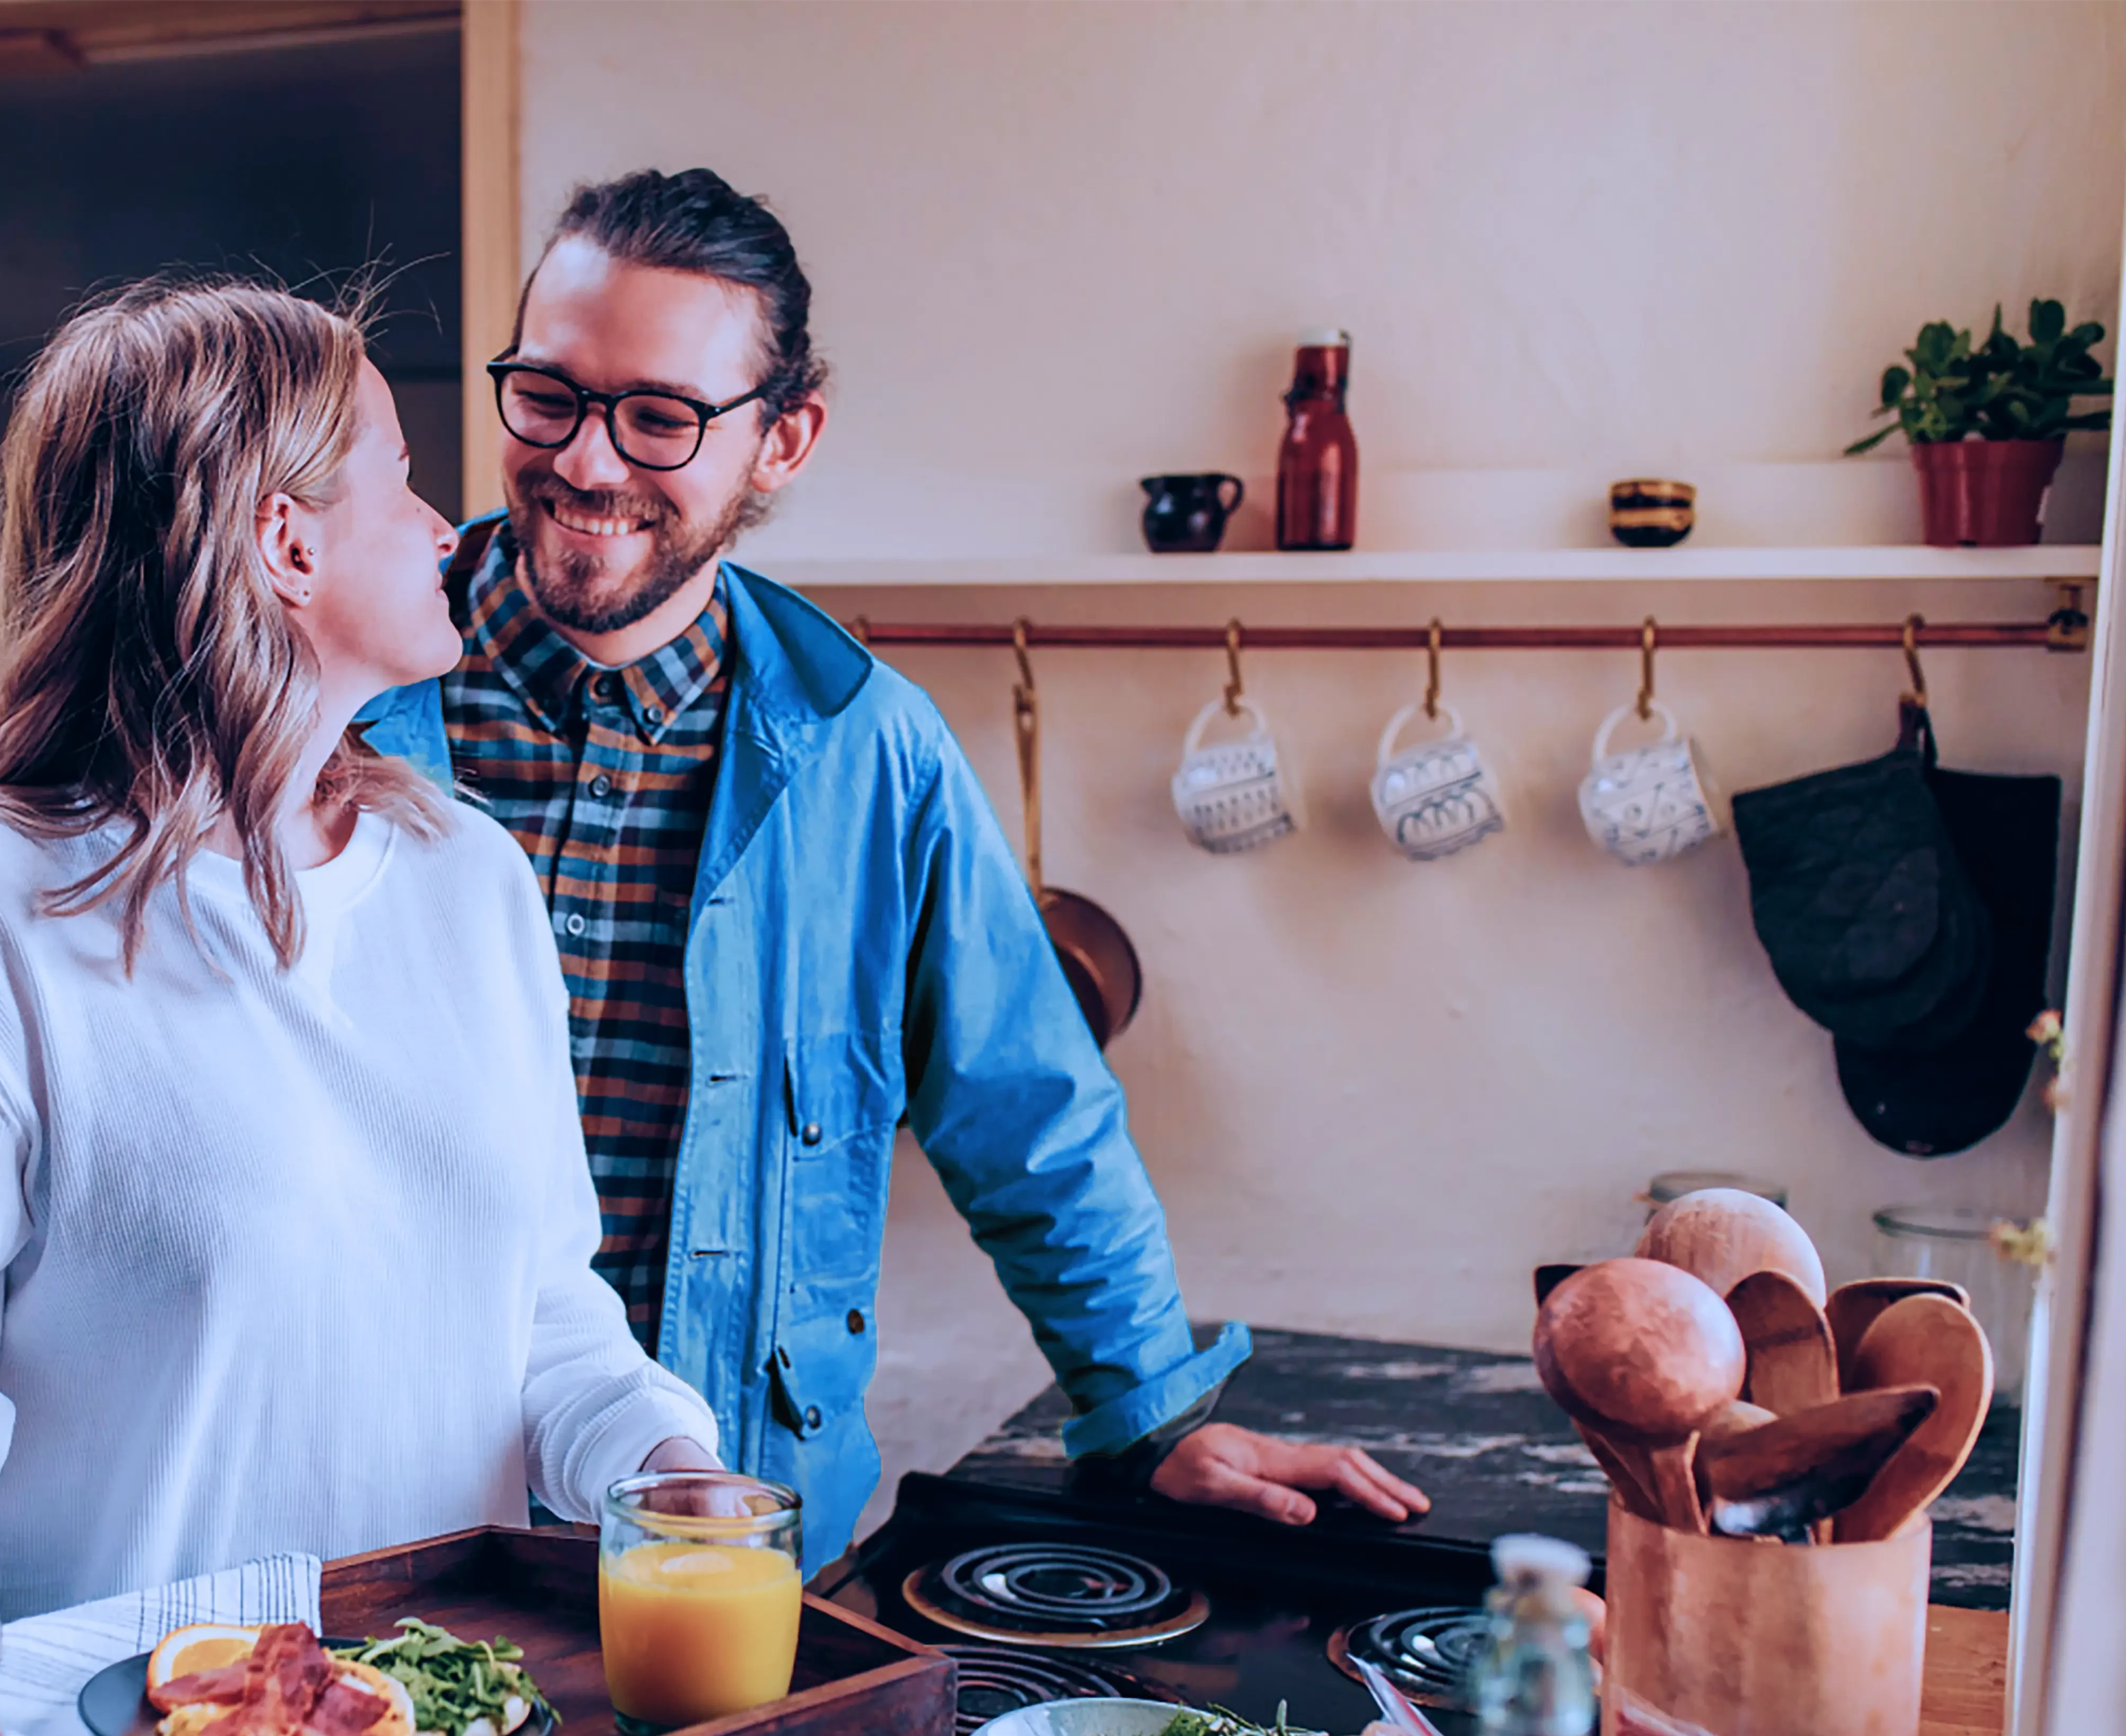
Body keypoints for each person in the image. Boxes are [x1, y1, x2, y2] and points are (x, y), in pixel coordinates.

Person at [0, 277, 725, 1736]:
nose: (449, 522)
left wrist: (668, 1470)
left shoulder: (472, 888)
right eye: (399, 475)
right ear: (283, 543)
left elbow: (545, 1314)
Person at [359, 169, 1430, 1560]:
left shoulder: (872, 754)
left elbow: (1030, 1115)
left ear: (785, 438)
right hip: (375, 1508)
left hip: (716, 1537)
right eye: (550, 395)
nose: (588, 462)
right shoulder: (334, 690)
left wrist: (1155, 1414)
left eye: (662, 417)